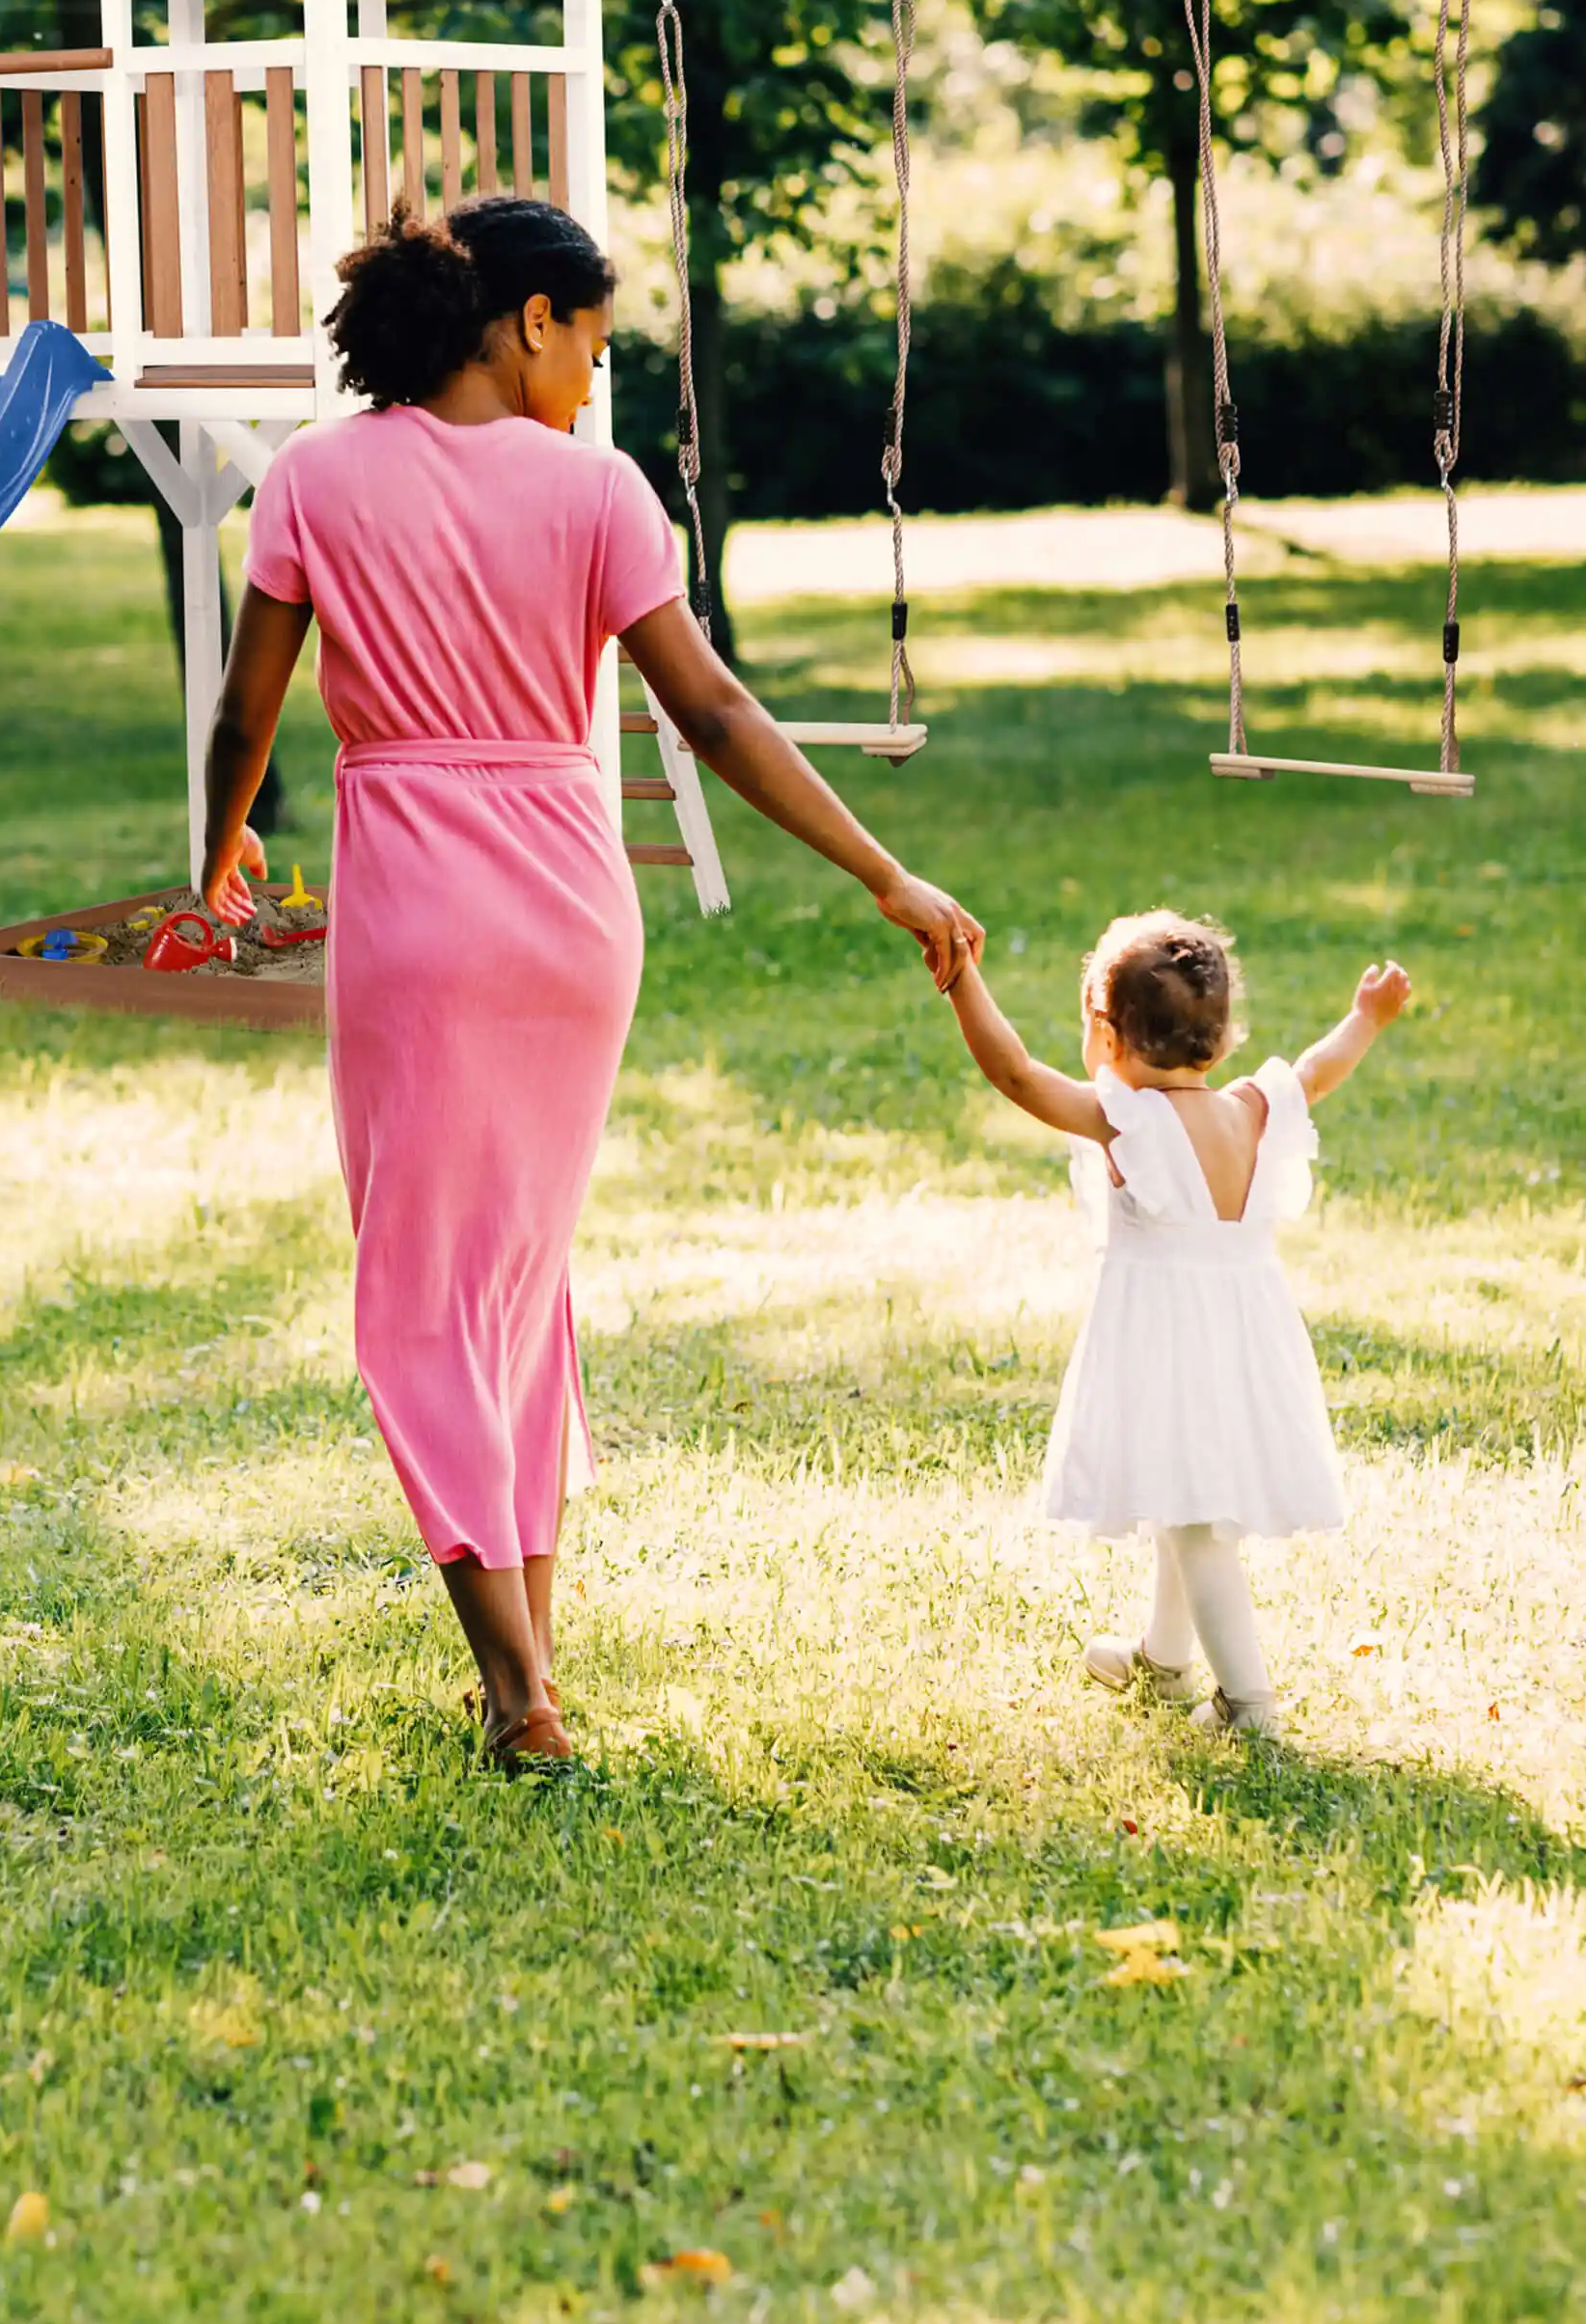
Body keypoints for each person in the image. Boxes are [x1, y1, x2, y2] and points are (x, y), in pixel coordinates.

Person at [195, 196, 981, 1773]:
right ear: (527, 320)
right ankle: (533, 1662)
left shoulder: (315, 481)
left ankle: (517, 1692)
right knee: (516, 1285)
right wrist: (882, 870)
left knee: (422, 1296)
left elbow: (246, 715)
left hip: (416, 914)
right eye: (594, 343)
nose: (594, 377)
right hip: (569, 916)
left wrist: (212, 861)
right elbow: (715, 714)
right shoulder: (599, 494)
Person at [937, 912, 1413, 1736]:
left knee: (1196, 1524)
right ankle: (1163, 1659)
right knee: (1180, 1492)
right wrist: (1365, 1018)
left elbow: (1015, 1074)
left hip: (1168, 1342)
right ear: (1221, 1040)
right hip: (1245, 1337)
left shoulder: (1128, 1122)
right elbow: (1317, 1068)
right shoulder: (1255, 1108)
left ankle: (1248, 1704)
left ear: (1108, 1035)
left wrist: (960, 978)